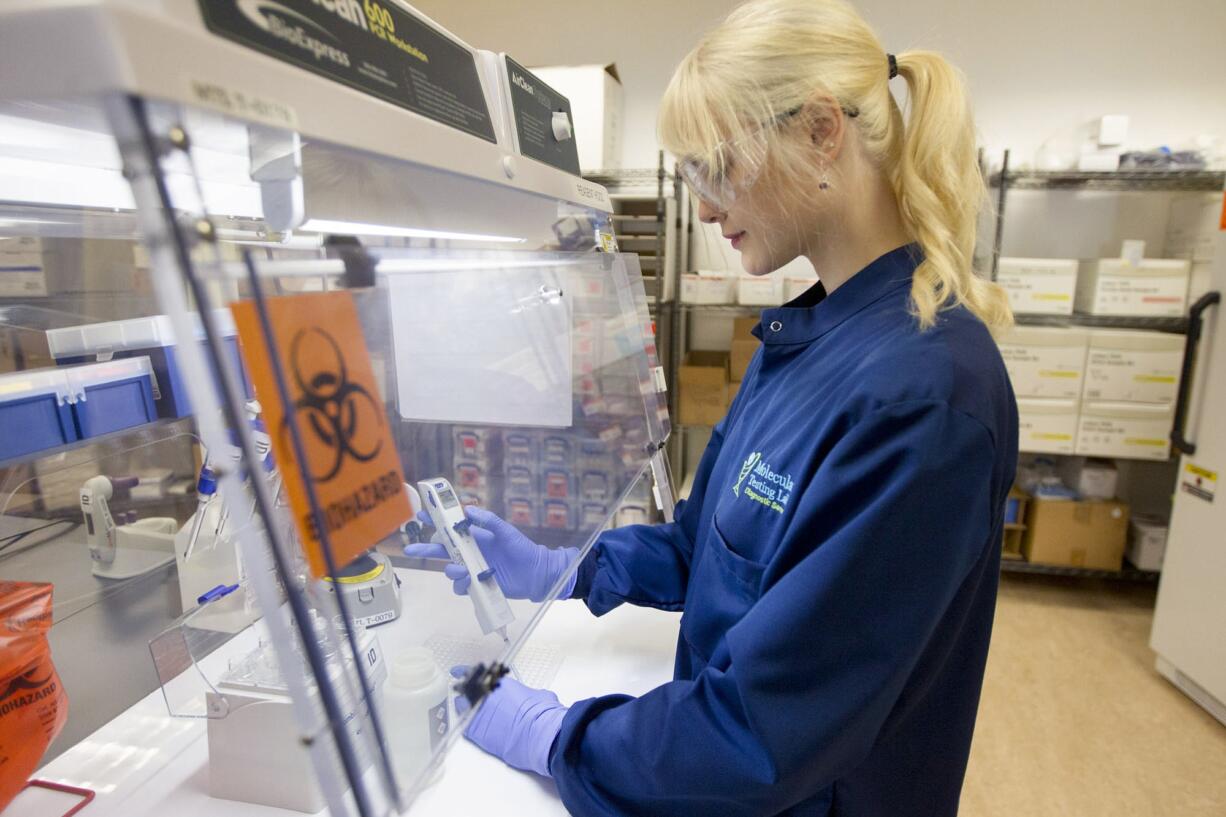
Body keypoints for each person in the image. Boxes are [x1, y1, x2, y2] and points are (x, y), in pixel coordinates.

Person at [406, 0, 1018, 813]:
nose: (701, 205)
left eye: (716, 166)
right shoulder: (806, 337)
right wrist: (572, 566)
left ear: (821, 132)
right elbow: (709, 551)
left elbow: (763, 731)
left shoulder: (923, 400)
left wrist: (560, 739)